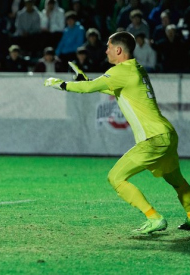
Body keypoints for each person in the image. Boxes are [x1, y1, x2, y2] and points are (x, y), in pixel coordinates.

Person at [44, 31, 190, 234]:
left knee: (116, 177)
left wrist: (61, 85)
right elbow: (110, 88)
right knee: (176, 180)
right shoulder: (135, 68)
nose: (106, 51)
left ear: (118, 50)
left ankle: (154, 217)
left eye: (108, 47)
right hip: (167, 134)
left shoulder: (121, 71)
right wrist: (87, 81)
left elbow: (90, 88)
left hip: (154, 139)